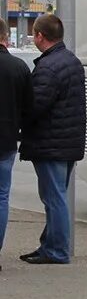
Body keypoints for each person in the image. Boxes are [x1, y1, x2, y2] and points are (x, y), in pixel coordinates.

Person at [18, 14, 87, 265]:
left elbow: (36, 106)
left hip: (50, 143)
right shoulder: (71, 61)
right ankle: (49, 245)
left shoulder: (48, 67)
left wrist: (19, 119)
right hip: (67, 141)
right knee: (57, 196)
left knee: (53, 198)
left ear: (39, 36)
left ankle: (57, 250)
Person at [0, 23, 33, 270]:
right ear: (5, 38)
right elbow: (28, 107)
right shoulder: (19, 67)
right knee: (1, 197)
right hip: (7, 140)